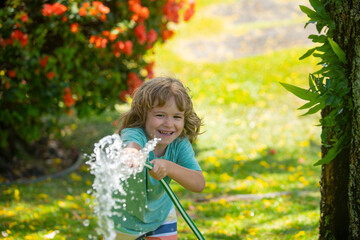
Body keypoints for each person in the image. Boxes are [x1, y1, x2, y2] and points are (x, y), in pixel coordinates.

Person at [113, 76, 205, 240]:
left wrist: (169, 168)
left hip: (161, 215)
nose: (169, 124)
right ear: (143, 115)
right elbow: (132, 146)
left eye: (177, 117)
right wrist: (132, 154)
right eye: (160, 115)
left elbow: (198, 184)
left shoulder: (179, 144)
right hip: (125, 217)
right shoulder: (135, 133)